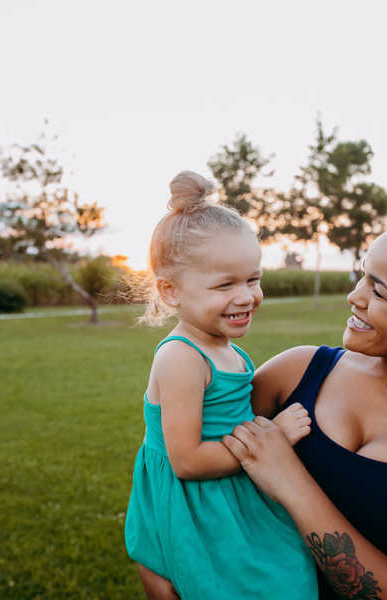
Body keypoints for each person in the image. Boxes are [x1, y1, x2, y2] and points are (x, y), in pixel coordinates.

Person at [139, 213, 387, 598]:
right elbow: (176, 453)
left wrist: (290, 481)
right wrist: (153, 563)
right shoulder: (297, 373)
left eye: (379, 290)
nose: (355, 296)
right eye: (362, 276)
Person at [123, 171, 319, 600]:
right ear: (170, 291)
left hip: (236, 495)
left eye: (253, 279)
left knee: (289, 579)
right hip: (200, 504)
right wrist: (276, 436)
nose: (247, 296)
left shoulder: (227, 349)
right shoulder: (181, 357)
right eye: (225, 284)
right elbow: (188, 461)